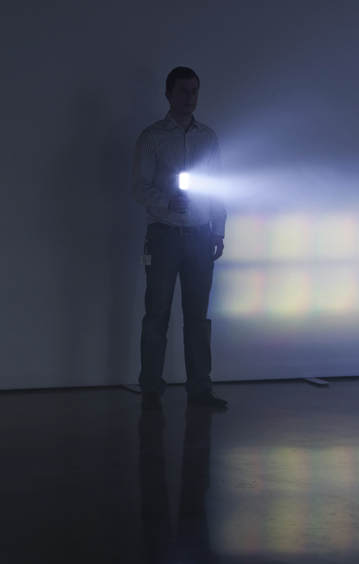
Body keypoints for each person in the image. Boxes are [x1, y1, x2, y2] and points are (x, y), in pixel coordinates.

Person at [132, 66, 227, 410]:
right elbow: (139, 187)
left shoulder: (208, 137)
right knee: (156, 315)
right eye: (183, 91)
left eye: (195, 90)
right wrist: (167, 201)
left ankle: (200, 388)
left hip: (201, 236)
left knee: (198, 317)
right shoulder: (152, 137)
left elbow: (217, 187)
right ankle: (151, 388)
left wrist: (218, 230)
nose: (190, 97)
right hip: (164, 236)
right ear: (168, 94)